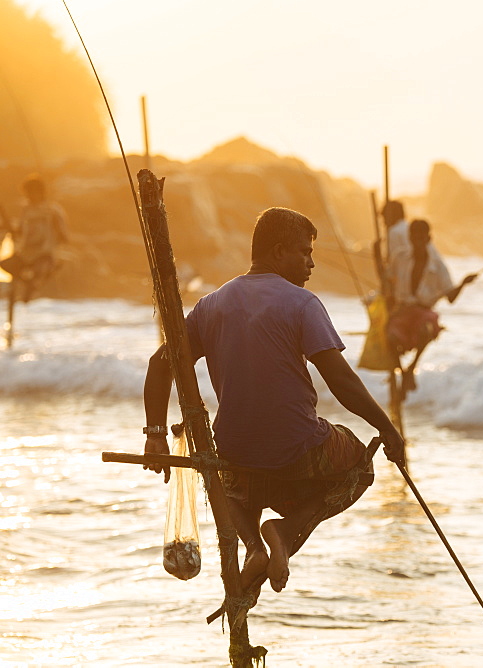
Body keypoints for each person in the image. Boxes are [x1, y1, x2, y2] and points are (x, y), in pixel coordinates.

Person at [142, 207, 405, 595]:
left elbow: (159, 364)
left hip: (236, 451)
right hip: (296, 448)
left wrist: (155, 435)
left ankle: (253, 547)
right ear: (279, 251)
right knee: (359, 466)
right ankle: (282, 530)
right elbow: (340, 380)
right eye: (305, 252)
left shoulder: (211, 304)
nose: (312, 263)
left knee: (226, 476)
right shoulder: (301, 303)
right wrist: (386, 428)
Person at [388, 218, 476, 397]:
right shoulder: (400, 256)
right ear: (410, 238)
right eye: (415, 238)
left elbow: (450, 297)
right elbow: (387, 279)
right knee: (390, 338)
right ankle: (403, 373)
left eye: (422, 238)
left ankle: (411, 368)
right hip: (403, 310)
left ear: (428, 238)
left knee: (426, 329)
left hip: (424, 312)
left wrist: (463, 284)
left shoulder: (438, 265)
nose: (418, 242)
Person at [0, 174, 69, 301]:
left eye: (32, 193)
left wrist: (56, 226)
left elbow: (64, 236)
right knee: (5, 264)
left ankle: (34, 283)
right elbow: (20, 231)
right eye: (27, 193)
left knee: (41, 269)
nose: (29, 196)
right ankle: (28, 283)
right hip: (26, 253)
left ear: (40, 192)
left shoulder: (53, 210)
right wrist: (7, 227)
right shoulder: (27, 210)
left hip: (45, 254)